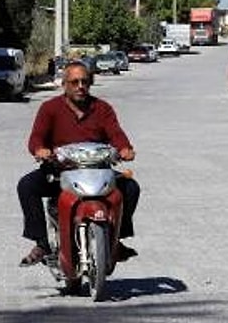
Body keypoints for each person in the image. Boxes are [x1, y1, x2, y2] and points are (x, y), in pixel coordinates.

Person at [17, 60, 140, 267]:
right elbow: (36, 137)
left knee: (130, 188)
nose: (80, 86)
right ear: (64, 84)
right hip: (60, 172)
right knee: (26, 186)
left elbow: (115, 133)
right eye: (74, 82)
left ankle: (116, 239)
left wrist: (125, 148)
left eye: (85, 81)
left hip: (96, 171)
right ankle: (41, 242)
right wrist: (40, 150)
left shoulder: (102, 108)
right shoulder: (50, 108)